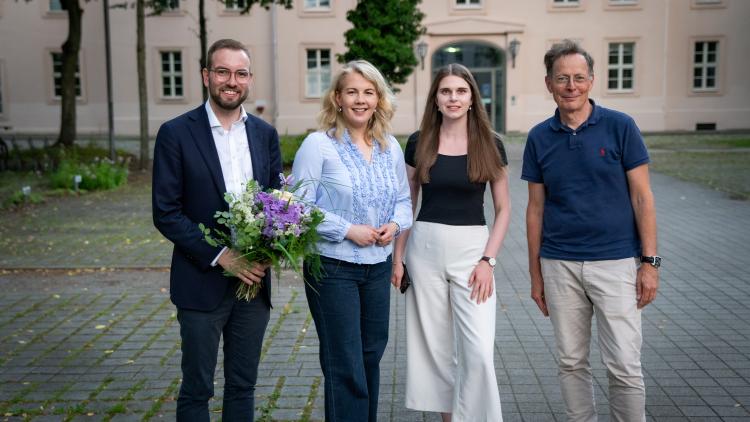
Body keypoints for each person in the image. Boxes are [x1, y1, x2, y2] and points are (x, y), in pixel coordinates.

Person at [522, 39, 660, 422]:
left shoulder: (620, 127)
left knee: (624, 365)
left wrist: (649, 263)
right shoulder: (539, 137)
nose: (571, 86)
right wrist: (535, 275)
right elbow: (535, 210)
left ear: (592, 80)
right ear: (549, 83)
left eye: (579, 78)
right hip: (559, 264)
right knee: (570, 362)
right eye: (562, 78)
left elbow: (643, 199)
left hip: (615, 263)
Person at [152, 38, 282, 421]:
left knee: (243, 385)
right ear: (206, 75)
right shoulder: (176, 132)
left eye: (240, 73)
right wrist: (221, 256)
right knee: (197, 388)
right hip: (200, 281)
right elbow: (166, 211)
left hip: (253, 283)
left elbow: (277, 205)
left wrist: (269, 250)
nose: (232, 81)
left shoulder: (264, 134)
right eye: (223, 71)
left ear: (249, 79)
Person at [291, 60, 412, 422]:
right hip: (332, 268)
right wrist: (347, 229)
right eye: (352, 92)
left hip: (376, 268)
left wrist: (394, 224)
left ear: (378, 99)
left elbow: (405, 201)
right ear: (338, 99)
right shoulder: (317, 145)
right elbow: (298, 206)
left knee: (370, 355)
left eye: (368, 92)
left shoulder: (390, 147)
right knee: (344, 362)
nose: (360, 99)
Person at [392, 63, 511, 422]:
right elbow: (406, 203)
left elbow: (504, 210)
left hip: (473, 252)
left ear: (473, 98)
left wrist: (488, 261)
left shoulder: (490, 144)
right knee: (435, 347)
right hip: (424, 250)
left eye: (461, 91)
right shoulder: (419, 141)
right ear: (436, 99)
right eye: (446, 91)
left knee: (476, 350)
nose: (453, 98)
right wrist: (398, 259)